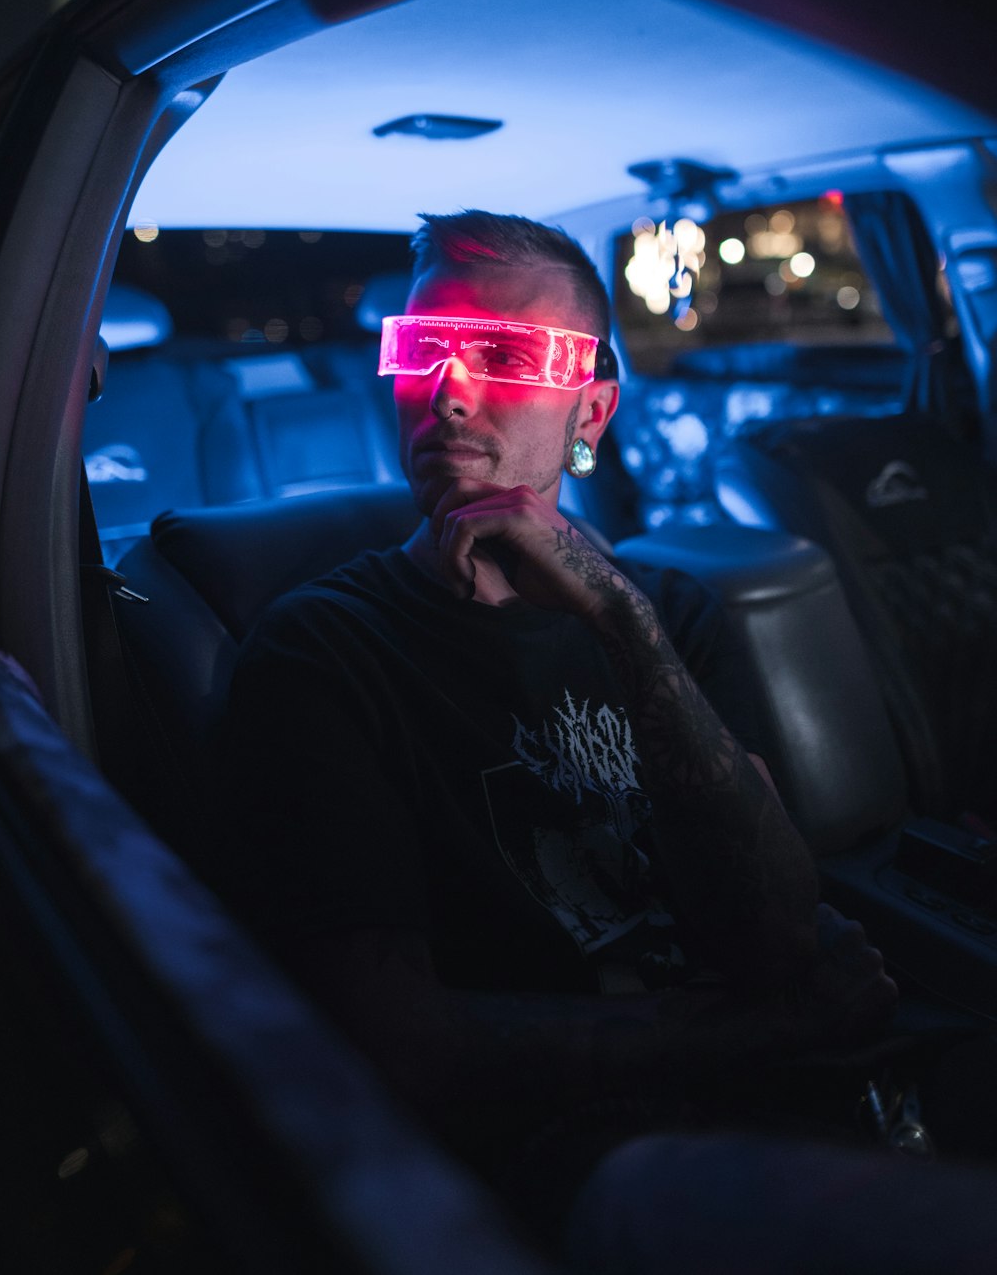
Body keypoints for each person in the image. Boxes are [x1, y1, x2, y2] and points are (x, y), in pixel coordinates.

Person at [215, 209, 898, 1246]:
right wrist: (749, 1035)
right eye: (423, 345)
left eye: (499, 353)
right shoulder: (321, 653)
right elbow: (396, 1043)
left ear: (592, 410)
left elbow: (773, 929)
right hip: (564, 1160)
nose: (447, 389)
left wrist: (619, 621)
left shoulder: (665, 610)